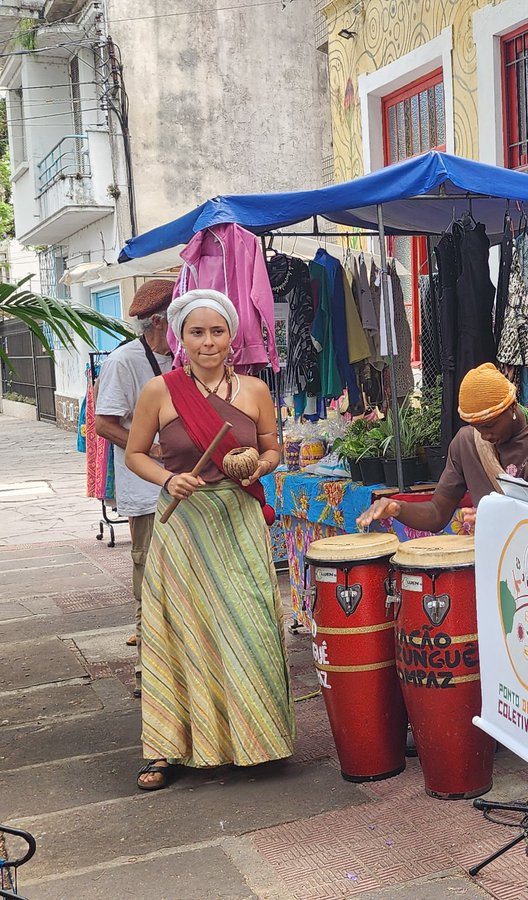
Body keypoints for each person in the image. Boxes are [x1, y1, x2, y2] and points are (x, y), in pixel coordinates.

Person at [125, 289, 292, 791]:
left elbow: (272, 446)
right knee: (182, 632)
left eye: (217, 331)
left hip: (238, 521)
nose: (208, 342)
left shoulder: (255, 391)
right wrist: (167, 479)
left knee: (251, 625)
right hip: (185, 525)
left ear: (232, 334)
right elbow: (135, 453)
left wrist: (260, 464)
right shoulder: (161, 390)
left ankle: (256, 739)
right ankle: (168, 747)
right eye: (197, 332)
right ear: (180, 335)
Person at [357, 362, 528, 533]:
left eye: (490, 425)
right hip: (494, 566)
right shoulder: (467, 442)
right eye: (476, 427)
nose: (485, 435)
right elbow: (437, 514)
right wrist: (398, 508)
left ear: (512, 406)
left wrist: (503, 518)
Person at [92, 279, 175, 694]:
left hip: (184, 487)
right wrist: (151, 448)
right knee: (150, 580)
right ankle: (147, 672)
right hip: (147, 492)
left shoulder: (181, 358)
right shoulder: (124, 361)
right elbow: (104, 423)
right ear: (160, 322)